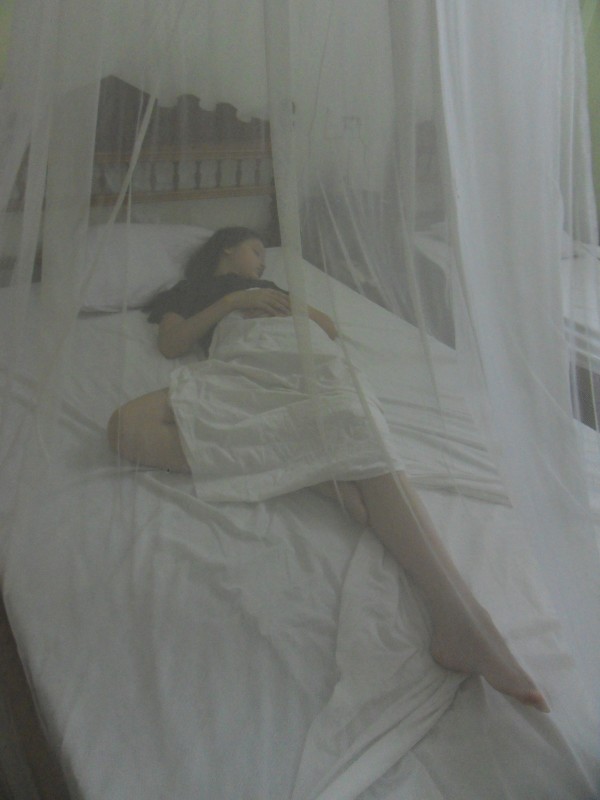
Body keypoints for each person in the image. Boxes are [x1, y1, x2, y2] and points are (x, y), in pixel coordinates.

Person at [107, 226, 549, 713]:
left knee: (351, 420)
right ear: (227, 247)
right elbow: (172, 343)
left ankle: (462, 615)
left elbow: (328, 328)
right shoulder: (189, 292)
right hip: (242, 365)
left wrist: (280, 302)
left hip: (303, 357)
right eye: (256, 250)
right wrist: (235, 301)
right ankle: (321, 473)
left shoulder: (273, 288)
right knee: (125, 428)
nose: (262, 262)